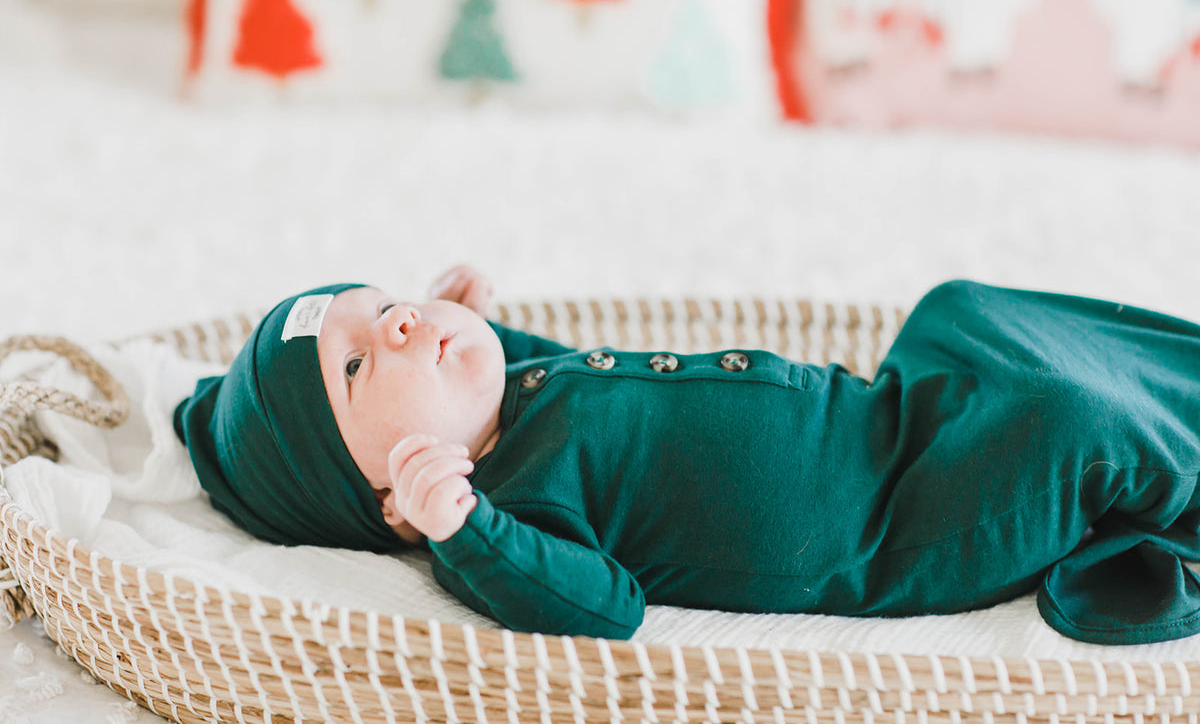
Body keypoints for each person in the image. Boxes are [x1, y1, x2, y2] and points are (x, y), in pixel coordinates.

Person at [174, 267, 1200, 645]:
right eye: (359, 364)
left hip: (884, 419)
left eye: (389, 304)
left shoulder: (515, 394)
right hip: (906, 520)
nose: (398, 326)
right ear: (396, 498)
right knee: (1068, 423)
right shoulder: (511, 504)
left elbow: (533, 372)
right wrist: (468, 525)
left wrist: (473, 331)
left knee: (965, 310)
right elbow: (601, 602)